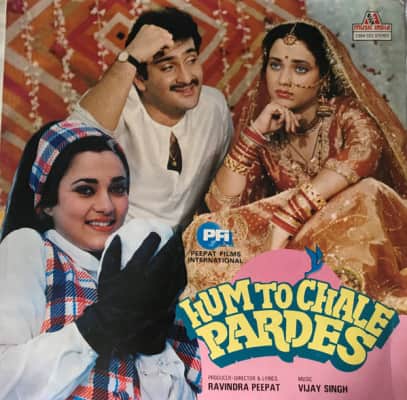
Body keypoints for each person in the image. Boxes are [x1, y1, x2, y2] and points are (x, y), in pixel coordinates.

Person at [182, 19, 407, 313]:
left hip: (360, 240)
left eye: (300, 69)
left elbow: (362, 154)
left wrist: (287, 219)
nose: (284, 80)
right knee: (208, 231)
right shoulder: (267, 129)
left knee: (365, 192)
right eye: (275, 65)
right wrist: (253, 136)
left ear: (323, 76)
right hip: (295, 241)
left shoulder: (347, 115)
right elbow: (221, 207)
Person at [0, 120, 201, 399]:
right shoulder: (31, 248)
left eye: (118, 189)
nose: (106, 206)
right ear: (46, 203)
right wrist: (98, 326)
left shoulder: (149, 273)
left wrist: (152, 345)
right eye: (85, 190)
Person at [70, 7, 233, 230]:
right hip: (119, 240)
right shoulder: (115, 106)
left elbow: (222, 188)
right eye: (168, 67)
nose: (186, 77)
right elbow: (71, 140)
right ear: (139, 78)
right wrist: (131, 56)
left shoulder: (214, 107)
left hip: (188, 241)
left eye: (191, 60)